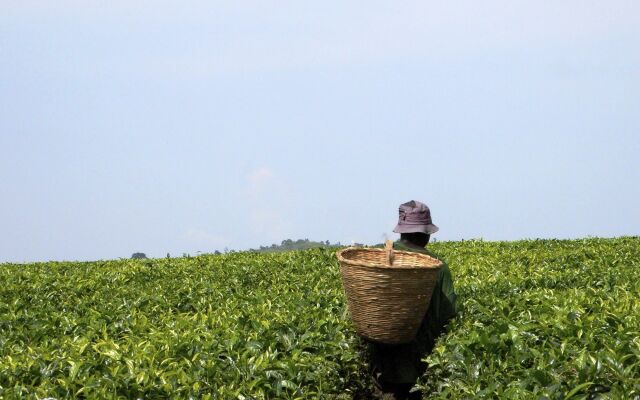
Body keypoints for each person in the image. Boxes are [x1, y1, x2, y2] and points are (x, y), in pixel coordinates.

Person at [369, 200, 458, 399]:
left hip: (381, 362)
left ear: (401, 231)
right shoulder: (437, 266)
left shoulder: (377, 255)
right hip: (420, 364)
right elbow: (449, 312)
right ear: (426, 234)